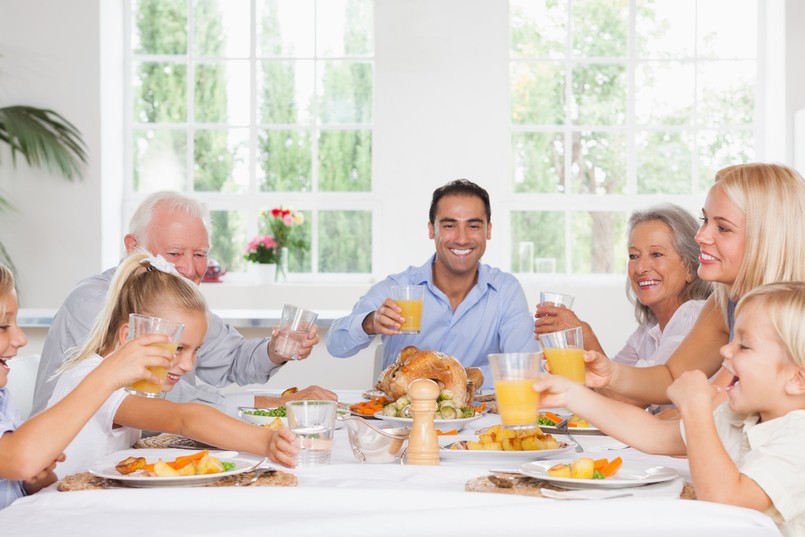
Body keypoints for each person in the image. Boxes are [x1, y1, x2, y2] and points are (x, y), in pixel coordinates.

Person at [533, 281, 805, 536]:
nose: (725, 351)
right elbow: (652, 433)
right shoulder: (741, 416)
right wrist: (572, 394)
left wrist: (696, 408)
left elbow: (726, 499)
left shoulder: (798, 439)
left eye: (744, 346)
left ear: (796, 379)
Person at [32, 191, 335, 417]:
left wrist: (274, 349)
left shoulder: (177, 301)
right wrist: (270, 405)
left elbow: (231, 361)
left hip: (143, 448)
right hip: (63, 467)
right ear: (132, 247)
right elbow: (165, 400)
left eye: (200, 254)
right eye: (175, 254)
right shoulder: (92, 303)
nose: (190, 269)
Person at [47, 253, 297, 477]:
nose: (188, 365)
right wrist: (266, 442)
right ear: (128, 336)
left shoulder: (131, 385)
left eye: (195, 350)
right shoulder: (93, 380)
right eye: (178, 348)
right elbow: (184, 419)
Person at [582, 163, 805, 406]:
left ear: (767, 239)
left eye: (722, 227)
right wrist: (609, 373)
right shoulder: (723, 302)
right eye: (705, 220)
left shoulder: (788, 318)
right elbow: (672, 377)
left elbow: (709, 411)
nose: (700, 236)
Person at [326, 179, 539, 387]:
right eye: (449, 225)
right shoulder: (398, 288)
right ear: (431, 230)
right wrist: (370, 323)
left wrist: (448, 378)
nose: (462, 238)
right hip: (403, 419)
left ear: (488, 231)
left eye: (473, 226)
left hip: (478, 420)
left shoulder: (506, 291)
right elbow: (335, 344)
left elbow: (525, 370)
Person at [0, 263, 173, 509]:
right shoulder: (89, 373)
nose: (21, 339)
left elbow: (24, 479)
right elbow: (20, 460)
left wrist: (36, 477)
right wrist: (109, 373)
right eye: (3, 326)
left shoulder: (3, 400)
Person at [535, 204, 712, 410]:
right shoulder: (647, 331)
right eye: (634, 256)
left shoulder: (692, 316)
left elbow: (626, 401)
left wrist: (584, 335)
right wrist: (569, 351)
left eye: (656, 254)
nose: (640, 268)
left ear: (691, 268)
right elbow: (606, 390)